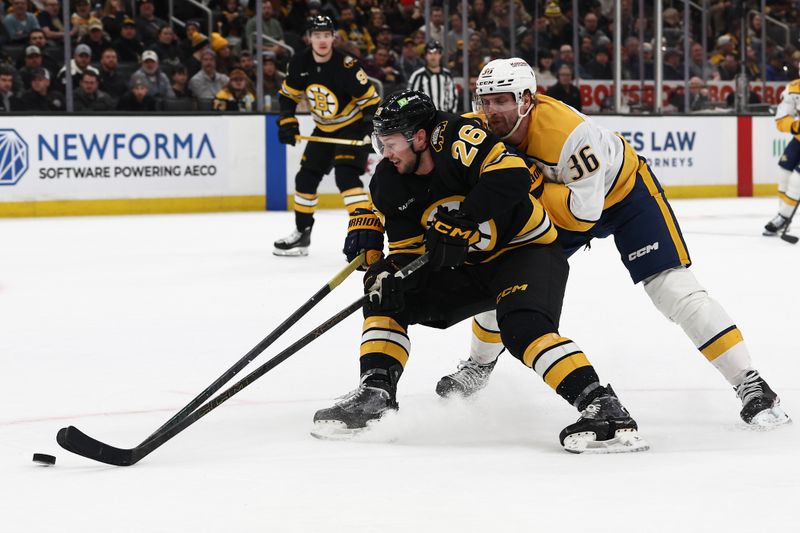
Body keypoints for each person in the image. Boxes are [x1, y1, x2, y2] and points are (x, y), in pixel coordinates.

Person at [436, 58, 790, 429]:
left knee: (673, 289)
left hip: (622, 196)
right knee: (503, 280)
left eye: (502, 100)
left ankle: (752, 383)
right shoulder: (474, 130)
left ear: (527, 98)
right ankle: (479, 365)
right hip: (560, 204)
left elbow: (581, 216)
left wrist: (531, 185)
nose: (491, 111)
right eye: (485, 100)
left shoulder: (569, 133)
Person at [313, 89, 648, 454]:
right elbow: (409, 252)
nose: (386, 153)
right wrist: (389, 272)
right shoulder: (389, 182)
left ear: (420, 137)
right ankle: (375, 394)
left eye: (391, 143)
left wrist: (466, 218)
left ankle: (605, 409)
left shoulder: (456, 136)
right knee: (386, 294)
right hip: (469, 268)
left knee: (524, 330)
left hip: (525, 252)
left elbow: (513, 176)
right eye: (381, 143)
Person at [274, 15, 380, 257]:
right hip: (323, 128)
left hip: (351, 127)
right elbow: (288, 96)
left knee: (346, 177)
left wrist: (369, 129)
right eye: (317, 35)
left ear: (333, 37)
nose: (322, 40)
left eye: (326, 35)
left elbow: (371, 102)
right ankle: (302, 234)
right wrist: (287, 122)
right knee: (305, 179)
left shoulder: (347, 66)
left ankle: (364, 237)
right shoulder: (299, 62)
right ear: (309, 38)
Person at [764, 77, 800, 235]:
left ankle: (783, 217)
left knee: (797, 180)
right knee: (784, 174)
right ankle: (782, 217)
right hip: (799, 139)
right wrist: (794, 125)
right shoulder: (794, 87)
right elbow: (781, 118)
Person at [407, 40, 458, 113]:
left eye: (436, 53)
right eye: (429, 53)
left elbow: (453, 97)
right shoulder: (418, 76)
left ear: (440, 55)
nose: (433, 56)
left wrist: (450, 117)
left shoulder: (447, 75)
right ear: (425, 56)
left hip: (445, 118)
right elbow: (410, 98)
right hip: (425, 119)